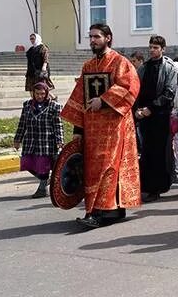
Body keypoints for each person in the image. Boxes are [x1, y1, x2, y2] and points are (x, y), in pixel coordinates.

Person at [60, 24, 141, 228]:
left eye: (97, 36)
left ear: (108, 38)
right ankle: (112, 211)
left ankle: (99, 213)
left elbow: (129, 86)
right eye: (91, 37)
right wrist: (78, 130)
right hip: (91, 129)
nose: (93, 40)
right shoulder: (88, 66)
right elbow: (79, 97)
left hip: (114, 127)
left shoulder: (120, 62)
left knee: (108, 166)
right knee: (91, 169)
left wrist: (103, 101)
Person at [134, 35, 178, 203]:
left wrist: (151, 109)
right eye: (150, 47)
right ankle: (146, 186)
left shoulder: (169, 68)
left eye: (155, 47)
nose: (152, 50)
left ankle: (157, 187)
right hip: (144, 116)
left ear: (163, 49)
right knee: (146, 151)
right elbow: (136, 91)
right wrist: (138, 110)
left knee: (160, 151)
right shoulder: (143, 68)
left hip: (160, 115)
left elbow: (169, 93)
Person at [13, 82, 64, 198]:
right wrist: (17, 139)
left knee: (42, 165)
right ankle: (46, 179)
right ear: (33, 94)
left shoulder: (54, 106)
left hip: (46, 142)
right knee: (26, 163)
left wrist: (60, 141)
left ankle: (42, 189)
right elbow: (22, 124)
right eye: (37, 94)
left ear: (47, 93)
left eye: (42, 94)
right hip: (30, 141)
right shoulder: (27, 105)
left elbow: (58, 125)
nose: (40, 96)